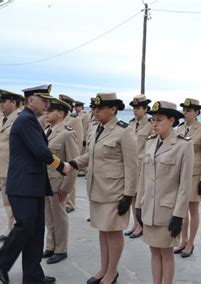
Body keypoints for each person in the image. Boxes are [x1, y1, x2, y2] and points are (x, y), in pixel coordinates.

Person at [0, 85, 73, 284]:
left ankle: (32, 275)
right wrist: (61, 166)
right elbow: (40, 151)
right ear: (31, 101)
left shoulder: (32, 120)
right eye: (43, 100)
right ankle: (1, 261)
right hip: (23, 186)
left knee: (36, 232)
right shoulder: (26, 120)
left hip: (34, 185)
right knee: (25, 226)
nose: (47, 104)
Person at [69, 93, 137, 284]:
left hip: (115, 192)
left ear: (113, 109)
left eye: (100, 108)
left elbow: (132, 166)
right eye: (94, 108)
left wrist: (128, 196)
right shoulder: (95, 128)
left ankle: (112, 273)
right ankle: (104, 268)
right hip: (97, 189)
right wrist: (73, 163)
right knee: (103, 231)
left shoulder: (124, 131)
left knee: (113, 232)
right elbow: (90, 156)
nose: (95, 111)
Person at [135, 101, 193, 284]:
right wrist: (138, 206)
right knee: (153, 251)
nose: (154, 123)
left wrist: (179, 216)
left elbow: (185, 185)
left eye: (159, 120)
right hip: (149, 209)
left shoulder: (183, 146)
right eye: (153, 120)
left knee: (166, 253)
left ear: (172, 120)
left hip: (168, 211)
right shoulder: (151, 143)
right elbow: (144, 178)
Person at [43, 98, 79, 264]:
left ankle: (61, 249)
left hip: (58, 183)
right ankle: (51, 245)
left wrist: (67, 188)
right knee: (48, 217)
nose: (47, 113)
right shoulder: (47, 131)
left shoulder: (67, 133)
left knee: (59, 217)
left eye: (50, 111)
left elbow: (73, 163)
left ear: (61, 113)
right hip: (44, 182)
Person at [175, 98, 201, 257]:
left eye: (189, 111)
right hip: (180, 174)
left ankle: (190, 243)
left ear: (197, 113)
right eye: (184, 110)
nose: (185, 113)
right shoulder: (179, 129)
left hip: (195, 175)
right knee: (181, 209)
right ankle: (183, 240)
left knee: (193, 209)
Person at [0, 90, 22, 243]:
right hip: (3, 167)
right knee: (7, 201)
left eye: (4, 102)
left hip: (13, 168)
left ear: (13, 102)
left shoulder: (19, 119)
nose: (1, 105)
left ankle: (15, 229)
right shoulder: (2, 119)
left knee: (14, 201)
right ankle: (10, 226)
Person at [124, 94, 153, 239]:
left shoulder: (151, 124)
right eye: (134, 108)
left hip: (144, 165)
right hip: (132, 165)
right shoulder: (131, 123)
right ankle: (135, 223)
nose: (135, 111)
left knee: (142, 196)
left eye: (138, 108)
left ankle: (142, 225)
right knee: (132, 195)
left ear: (145, 109)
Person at [59, 94, 84, 214]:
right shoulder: (60, 117)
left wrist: (76, 155)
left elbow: (78, 138)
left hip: (70, 151)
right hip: (59, 152)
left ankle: (70, 203)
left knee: (70, 177)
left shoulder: (75, 119)